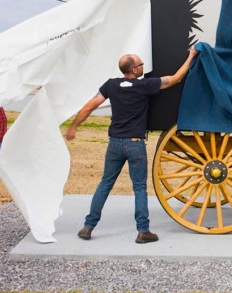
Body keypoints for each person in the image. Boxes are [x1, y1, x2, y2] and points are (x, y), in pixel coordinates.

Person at [67, 49, 198, 243]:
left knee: (105, 184)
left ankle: (88, 227)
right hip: (135, 144)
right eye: (141, 64)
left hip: (114, 143)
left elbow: (89, 106)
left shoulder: (110, 85)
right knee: (139, 188)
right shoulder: (145, 85)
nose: (144, 67)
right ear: (135, 70)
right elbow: (176, 78)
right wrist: (191, 55)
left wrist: (74, 127)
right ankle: (143, 231)